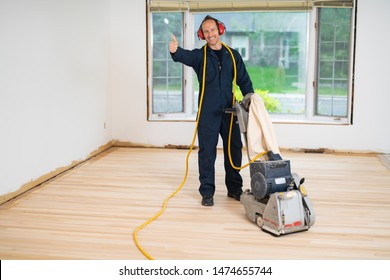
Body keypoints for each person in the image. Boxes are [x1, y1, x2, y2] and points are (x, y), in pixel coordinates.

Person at [169, 15, 254, 206]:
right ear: (202, 35)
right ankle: (207, 192)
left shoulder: (233, 55)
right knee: (207, 152)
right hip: (208, 112)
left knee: (234, 150)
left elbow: (244, 81)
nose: (210, 34)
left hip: (231, 111)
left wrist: (250, 99)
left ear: (220, 30)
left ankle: (234, 189)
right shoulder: (201, 56)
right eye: (206, 31)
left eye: (212, 30)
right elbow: (186, 56)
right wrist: (176, 52)